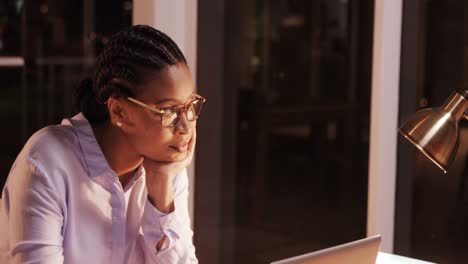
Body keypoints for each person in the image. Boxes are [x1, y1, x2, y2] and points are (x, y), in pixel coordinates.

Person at [0, 25, 203, 263]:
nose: (186, 128)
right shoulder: (46, 162)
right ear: (119, 111)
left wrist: (160, 189)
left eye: (190, 106)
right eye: (169, 111)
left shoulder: (166, 166)